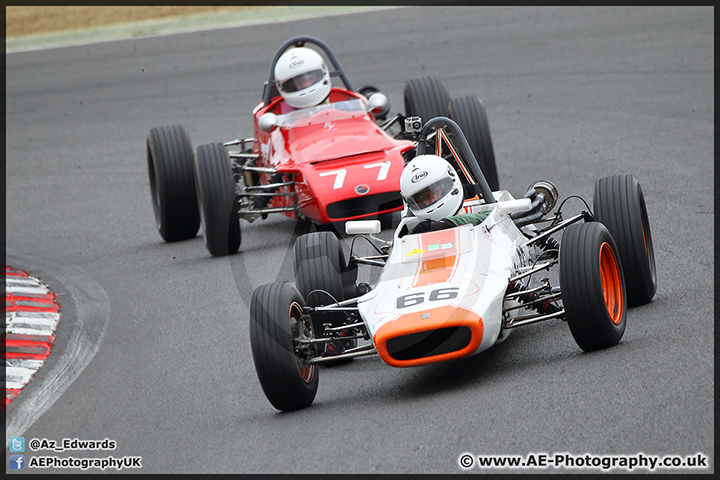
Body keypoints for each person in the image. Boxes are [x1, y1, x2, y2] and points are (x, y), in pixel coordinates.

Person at [399, 154, 491, 234]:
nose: (432, 198)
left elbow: (494, 216)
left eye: (436, 191)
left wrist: (447, 223)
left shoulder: (487, 217)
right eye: (423, 198)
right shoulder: (415, 232)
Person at [274, 46, 331, 111]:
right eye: (297, 83)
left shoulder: (340, 99)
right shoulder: (279, 113)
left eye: (309, 79)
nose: (304, 85)